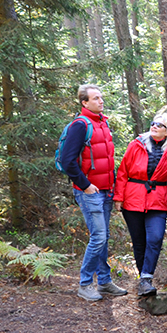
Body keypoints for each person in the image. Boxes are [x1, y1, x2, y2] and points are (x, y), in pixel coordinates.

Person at [114, 112, 167, 297]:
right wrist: (118, 197)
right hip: (132, 197)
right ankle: (144, 280)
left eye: (159, 125)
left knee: (156, 237)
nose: (154, 126)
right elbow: (123, 171)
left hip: (158, 199)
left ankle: (146, 278)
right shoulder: (136, 144)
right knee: (139, 242)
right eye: (153, 123)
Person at [60, 84, 128, 301]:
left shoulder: (103, 123)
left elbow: (107, 160)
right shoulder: (80, 125)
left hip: (106, 190)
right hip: (89, 192)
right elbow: (67, 161)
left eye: (101, 97)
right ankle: (85, 284)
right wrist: (86, 185)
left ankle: (105, 282)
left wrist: (114, 189)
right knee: (98, 237)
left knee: (103, 237)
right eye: (96, 98)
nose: (101, 101)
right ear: (85, 102)